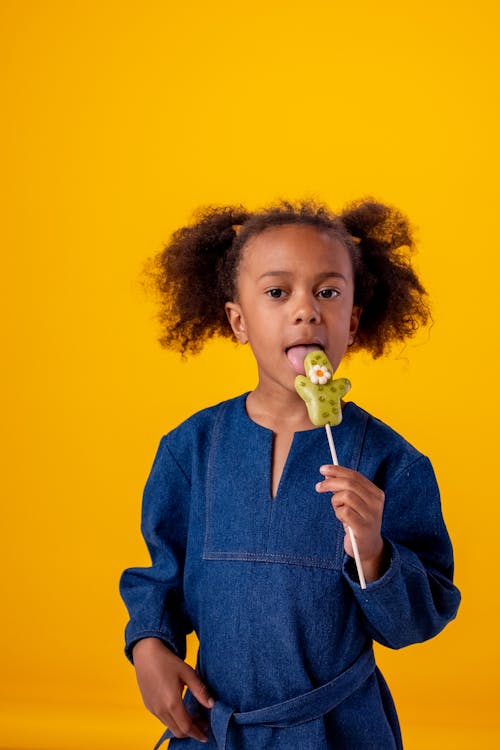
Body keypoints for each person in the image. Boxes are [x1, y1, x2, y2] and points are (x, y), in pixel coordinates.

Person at [119, 199, 461, 749]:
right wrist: (149, 647)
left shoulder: (393, 462)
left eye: (328, 293)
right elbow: (161, 575)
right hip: (215, 729)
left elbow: (413, 624)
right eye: (278, 293)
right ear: (239, 321)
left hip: (339, 731)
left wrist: (373, 550)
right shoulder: (190, 449)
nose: (306, 311)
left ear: (351, 323)